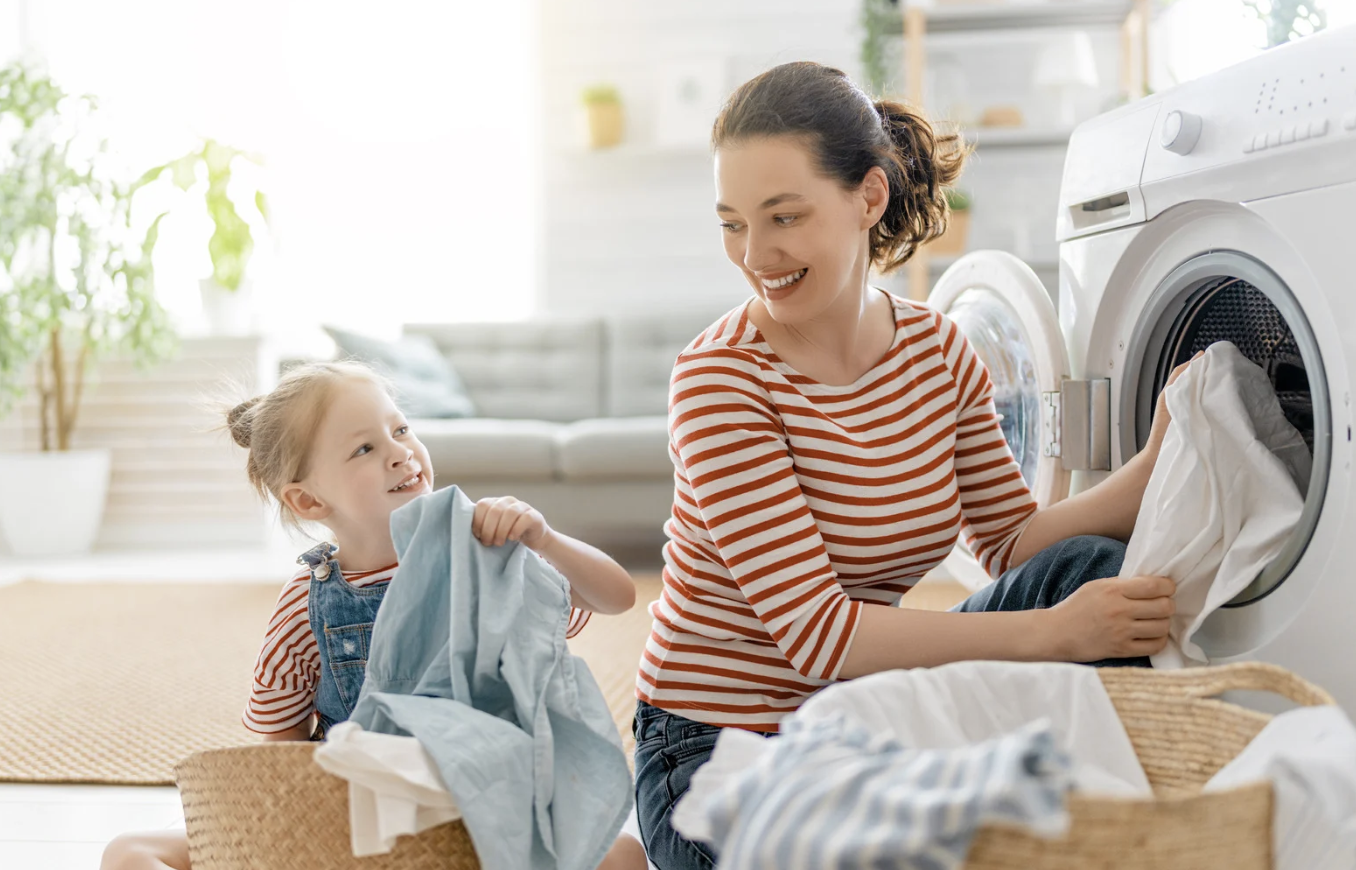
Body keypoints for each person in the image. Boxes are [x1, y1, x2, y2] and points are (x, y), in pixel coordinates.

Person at [631, 61, 1186, 870]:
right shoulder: (721, 377)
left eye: (783, 216)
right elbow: (817, 637)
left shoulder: (937, 350)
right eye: (732, 223)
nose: (755, 254)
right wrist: (1053, 636)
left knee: (1088, 572)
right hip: (717, 745)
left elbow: (1009, 540)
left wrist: (1158, 461)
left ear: (869, 197)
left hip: (869, 713)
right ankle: (634, 843)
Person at [101, 360, 645, 870]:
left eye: (401, 429)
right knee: (130, 851)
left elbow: (616, 597)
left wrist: (543, 538)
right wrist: (288, 838)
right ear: (309, 501)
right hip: (351, 817)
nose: (399, 452)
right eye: (364, 448)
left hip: (482, 809)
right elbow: (278, 751)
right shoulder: (305, 603)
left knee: (622, 855)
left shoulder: (486, 555)